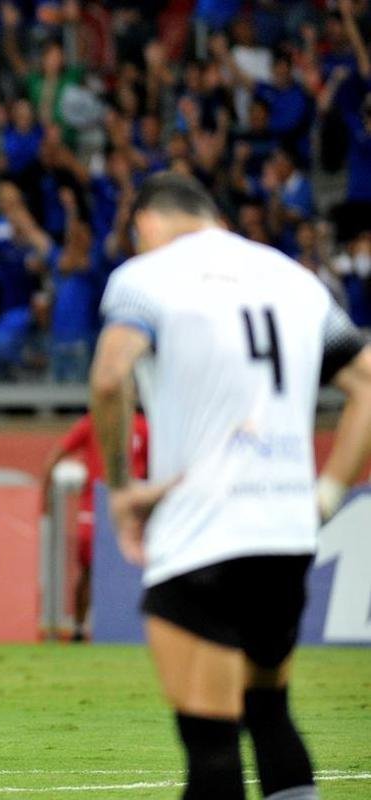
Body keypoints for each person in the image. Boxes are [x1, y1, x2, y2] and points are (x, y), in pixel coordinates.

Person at [89, 172, 371, 800]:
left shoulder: (145, 278)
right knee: (270, 714)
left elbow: (109, 378)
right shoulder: (296, 280)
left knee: (212, 747)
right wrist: (327, 494)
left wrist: (121, 488)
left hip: (202, 532)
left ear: (146, 224)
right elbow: (367, 385)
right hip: (285, 537)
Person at [39, 411, 149, 642]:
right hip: (104, 504)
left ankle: (123, 626)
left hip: (121, 505)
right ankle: (80, 629)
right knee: (92, 567)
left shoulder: (137, 426)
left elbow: (55, 457)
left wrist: (44, 497)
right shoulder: (95, 423)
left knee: (124, 566)